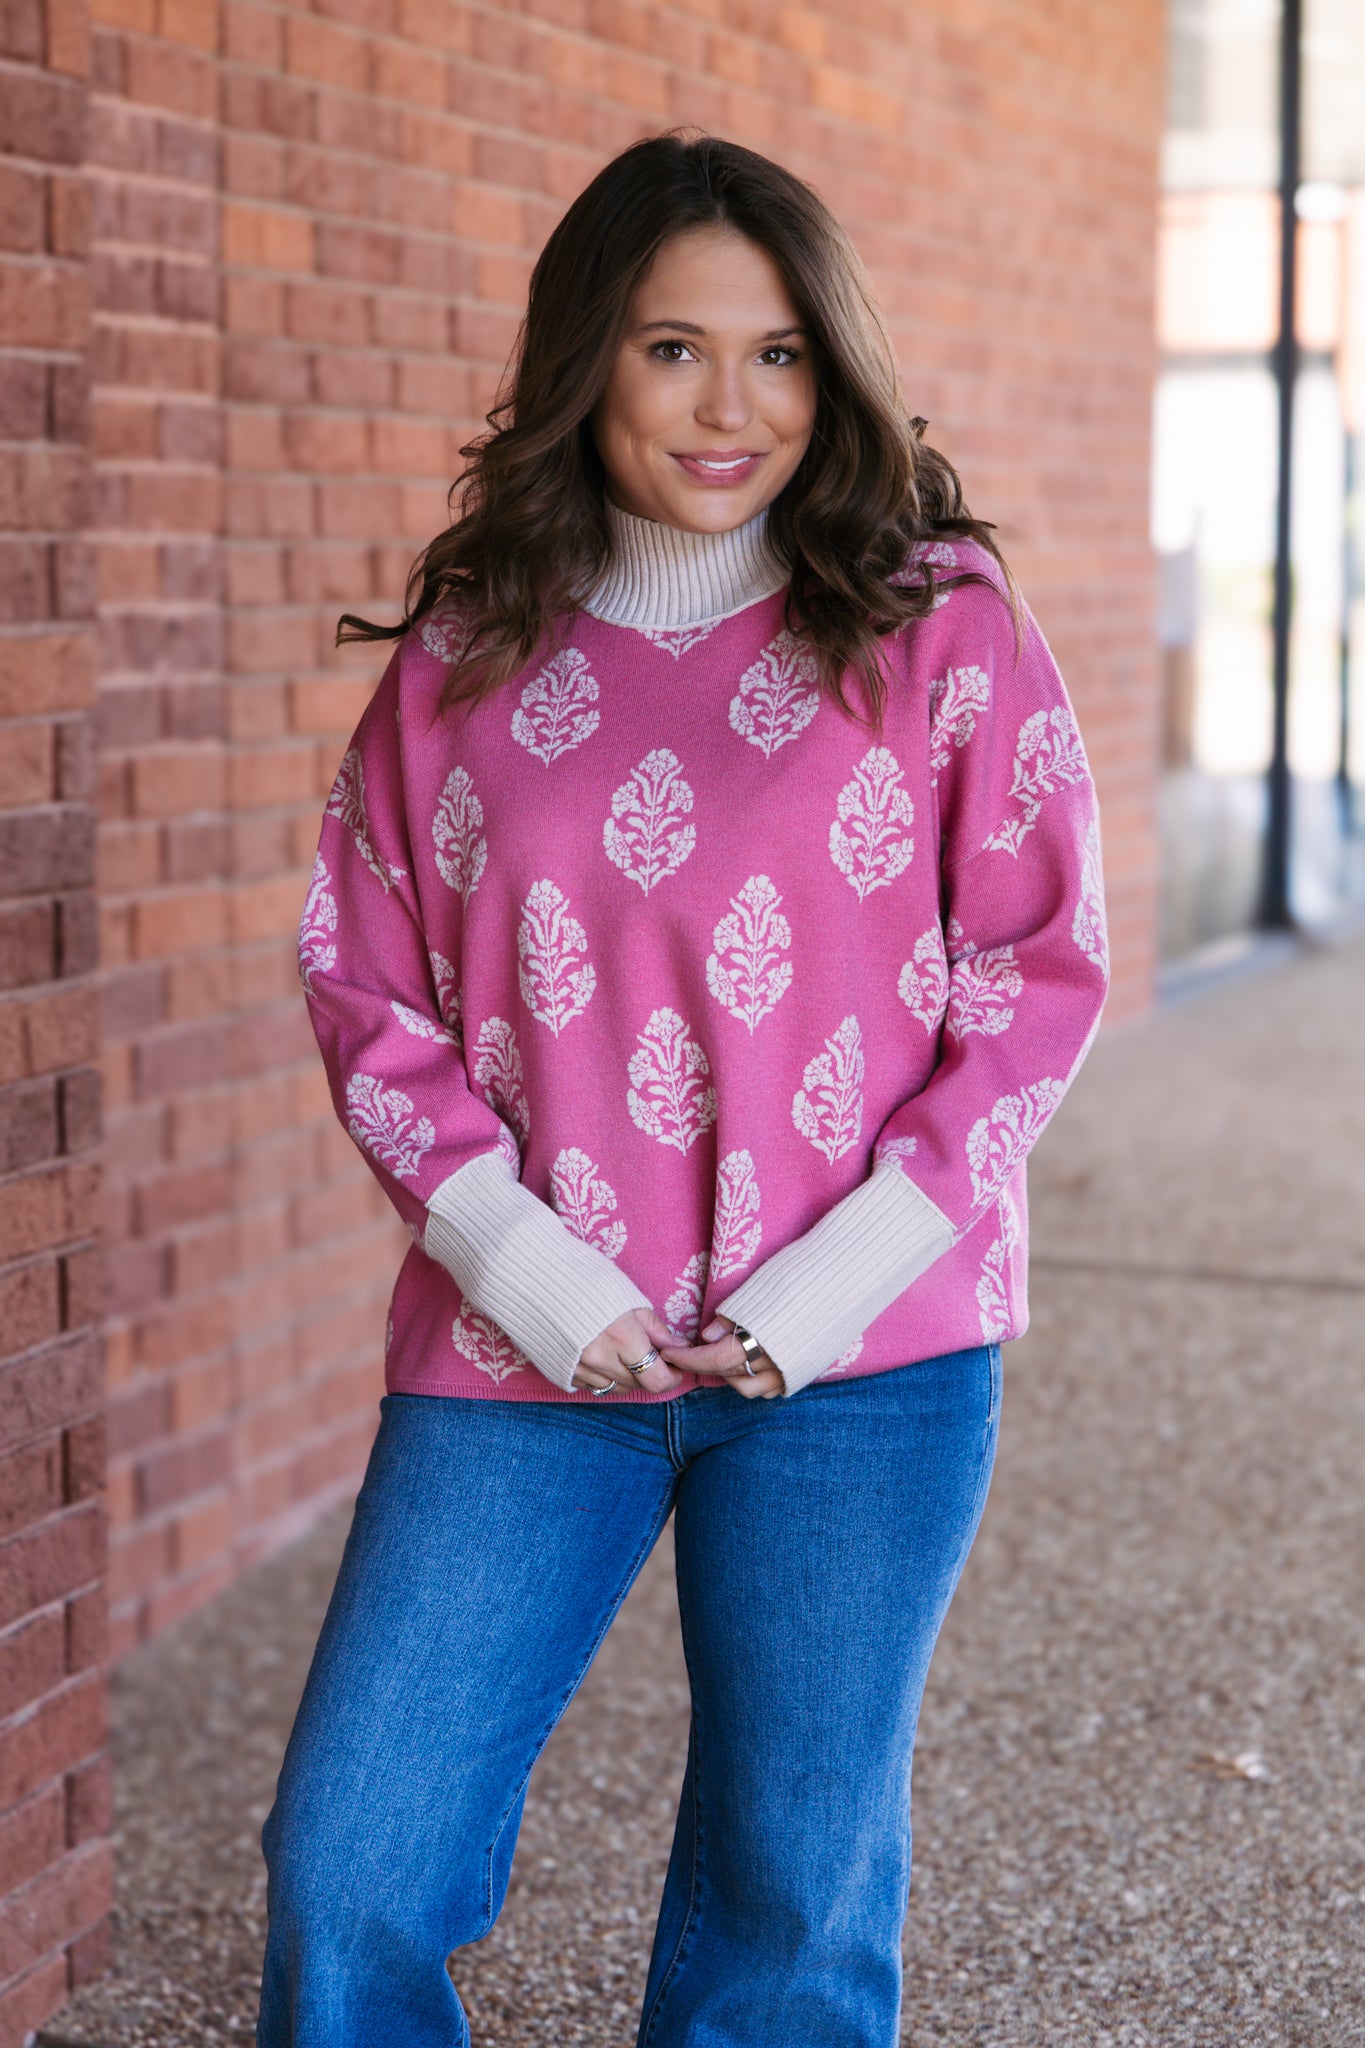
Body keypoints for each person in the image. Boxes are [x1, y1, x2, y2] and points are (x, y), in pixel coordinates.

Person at [256, 130, 1110, 2048]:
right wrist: (523, 1264)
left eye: (778, 352)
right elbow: (361, 981)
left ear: (833, 367)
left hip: (865, 1369)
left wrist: (840, 1278)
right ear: (588, 360)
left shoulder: (937, 622)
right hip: (520, 1352)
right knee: (351, 1864)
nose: (733, 407)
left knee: (789, 1910)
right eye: (672, 349)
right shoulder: (467, 648)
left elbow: (1034, 980)